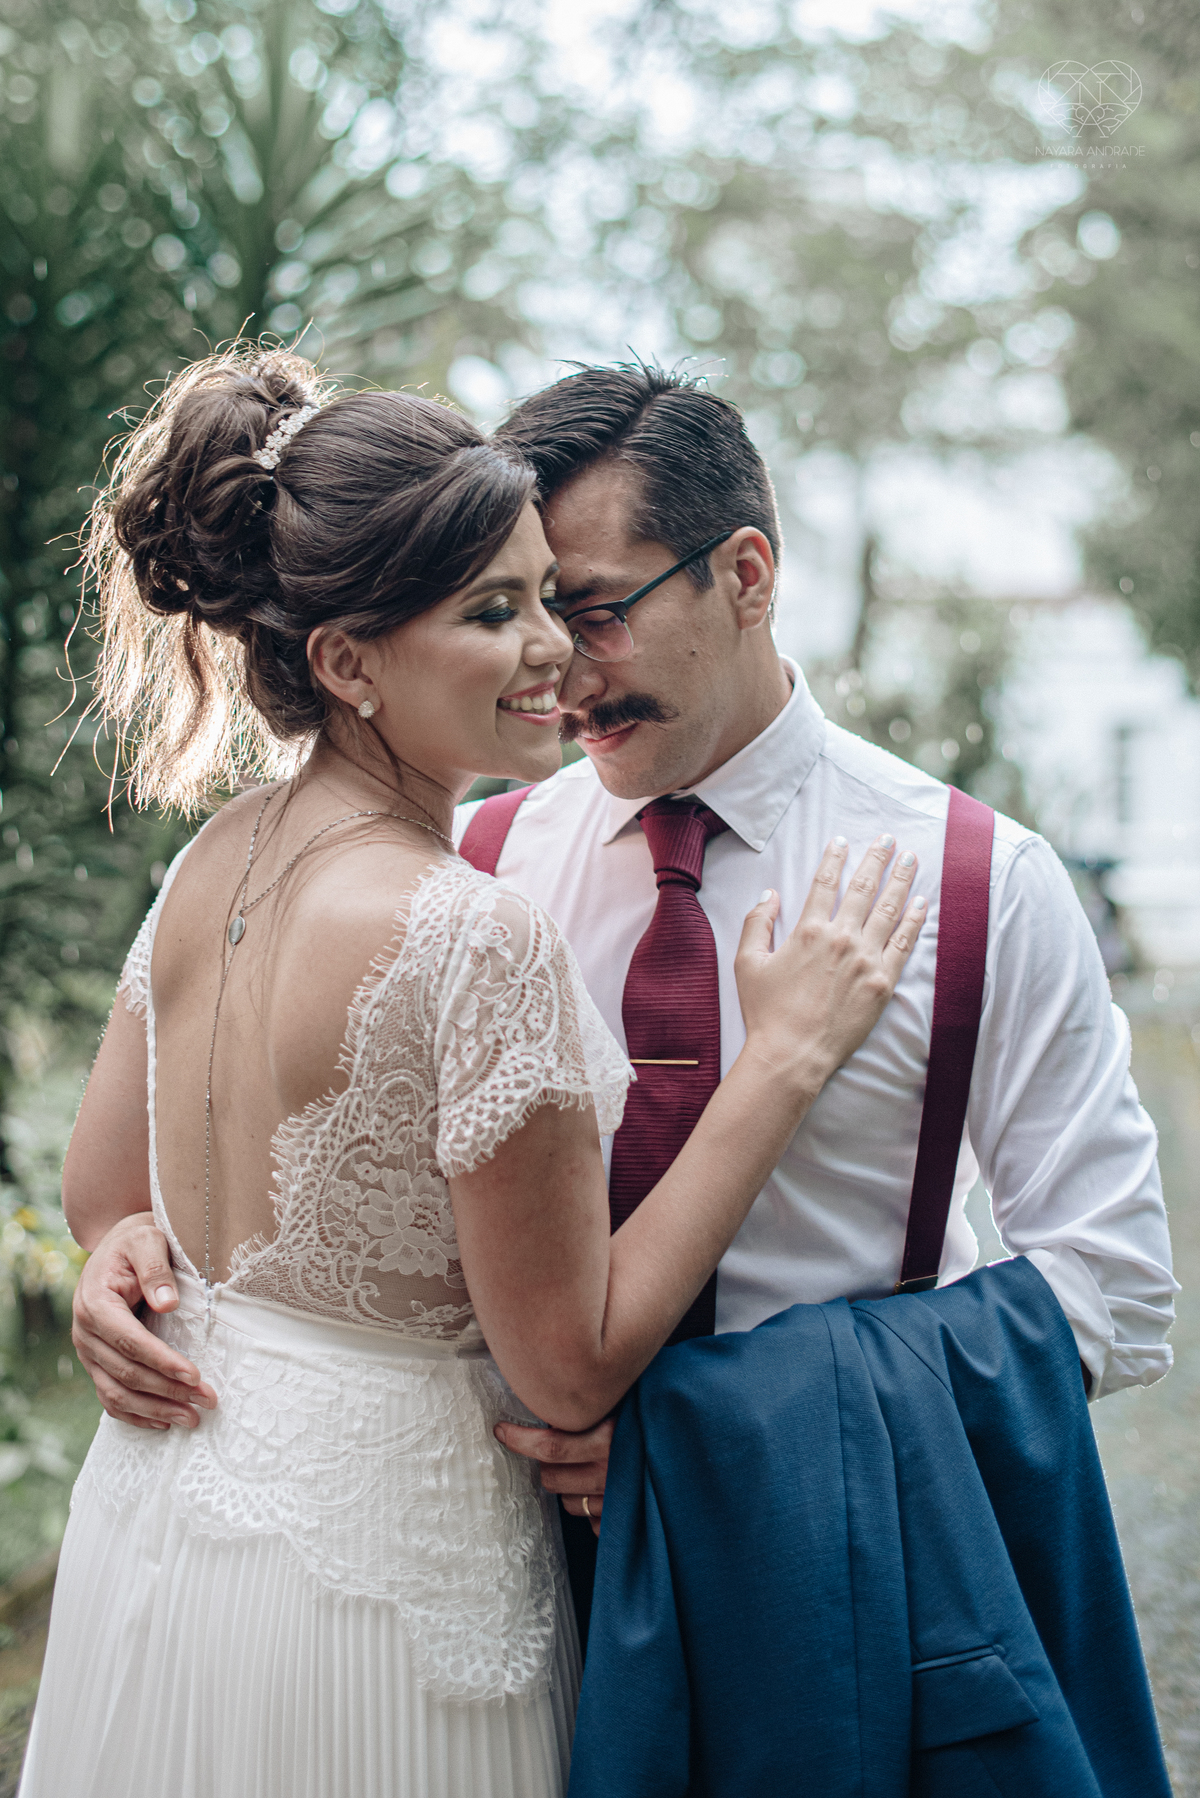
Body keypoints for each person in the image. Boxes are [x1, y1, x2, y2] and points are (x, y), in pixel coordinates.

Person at [69, 362, 1178, 1635]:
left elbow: (1118, 1286)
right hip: (497, 1577)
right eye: (516, 604)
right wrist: (132, 1254)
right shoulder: (465, 876)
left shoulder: (979, 880)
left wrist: (717, 1436)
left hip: (833, 1590)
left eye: (589, 608)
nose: (556, 666)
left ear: (747, 575)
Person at [23, 347, 926, 1798]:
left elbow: (97, 1189)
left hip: (178, 1528)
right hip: (385, 1581)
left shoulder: (212, 858)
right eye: (492, 612)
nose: (554, 652)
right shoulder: (468, 932)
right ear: (349, 660)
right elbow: (568, 1363)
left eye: (552, 601)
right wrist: (789, 1057)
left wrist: (122, 1260)